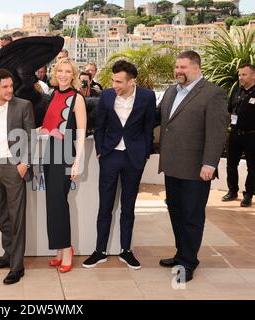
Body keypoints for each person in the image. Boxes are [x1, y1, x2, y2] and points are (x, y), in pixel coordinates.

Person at [157, 51, 228, 282]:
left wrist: (210, 163)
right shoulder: (170, 92)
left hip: (196, 169)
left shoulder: (213, 93)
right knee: (176, 212)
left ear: (196, 67)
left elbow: (217, 133)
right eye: (177, 67)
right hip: (172, 166)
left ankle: (189, 262)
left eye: (183, 67)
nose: (179, 71)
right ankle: (181, 254)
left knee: (192, 216)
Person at [82, 60, 156, 270]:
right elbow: (99, 126)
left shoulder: (147, 97)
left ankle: (126, 250)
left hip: (134, 158)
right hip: (110, 156)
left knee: (128, 206)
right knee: (105, 205)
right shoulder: (106, 96)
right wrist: (100, 151)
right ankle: (100, 251)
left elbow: (148, 127)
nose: (115, 84)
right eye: (113, 80)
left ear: (132, 80)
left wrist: (144, 153)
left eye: (119, 81)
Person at [0, 68, 35, 285]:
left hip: (14, 166)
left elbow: (31, 136)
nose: (10, 90)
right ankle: (8, 253)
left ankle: (17, 266)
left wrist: (24, 163)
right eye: (5, 87)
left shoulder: (23, 105)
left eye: (11, 86)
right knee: (2, 214)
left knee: (16, 216)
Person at [40, 57, 87, 273]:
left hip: (67, 152)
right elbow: (49, 126)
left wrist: (78, 163)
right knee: (52, 203)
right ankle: (59, 250)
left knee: (59, 202)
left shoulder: (77, 98)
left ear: (73, 75)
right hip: (50, 151)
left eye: (68, 71)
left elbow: (81, 133)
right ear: (55, 73)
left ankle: (67, 250)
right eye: (60, 71)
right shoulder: (53, 95)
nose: (64, 75)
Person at [221, 64, 255, 207]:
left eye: (244, 75)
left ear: (253, 75)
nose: (241, 77)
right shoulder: (236, 91)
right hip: (235, 134)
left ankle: (248, 194)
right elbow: (229, 109)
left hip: (252, 136)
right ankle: (232, 190)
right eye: (239, 75)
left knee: (252, 167)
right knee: (231, 164)